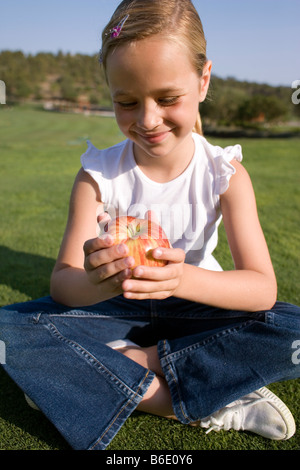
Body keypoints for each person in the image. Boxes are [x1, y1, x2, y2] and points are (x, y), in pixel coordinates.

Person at [0, 0, 299, 451]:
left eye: (167, 98)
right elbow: (63, 285)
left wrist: (179, 277)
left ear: (203, 81)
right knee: (8, 329)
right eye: (126, 102)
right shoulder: (97, 177)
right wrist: (102, 280)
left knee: (292, 328)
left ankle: (108, 370)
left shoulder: (225, 174)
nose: (147, 119)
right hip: (115, 311)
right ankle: (199, 399)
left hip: (195, 309)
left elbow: (260, 289)